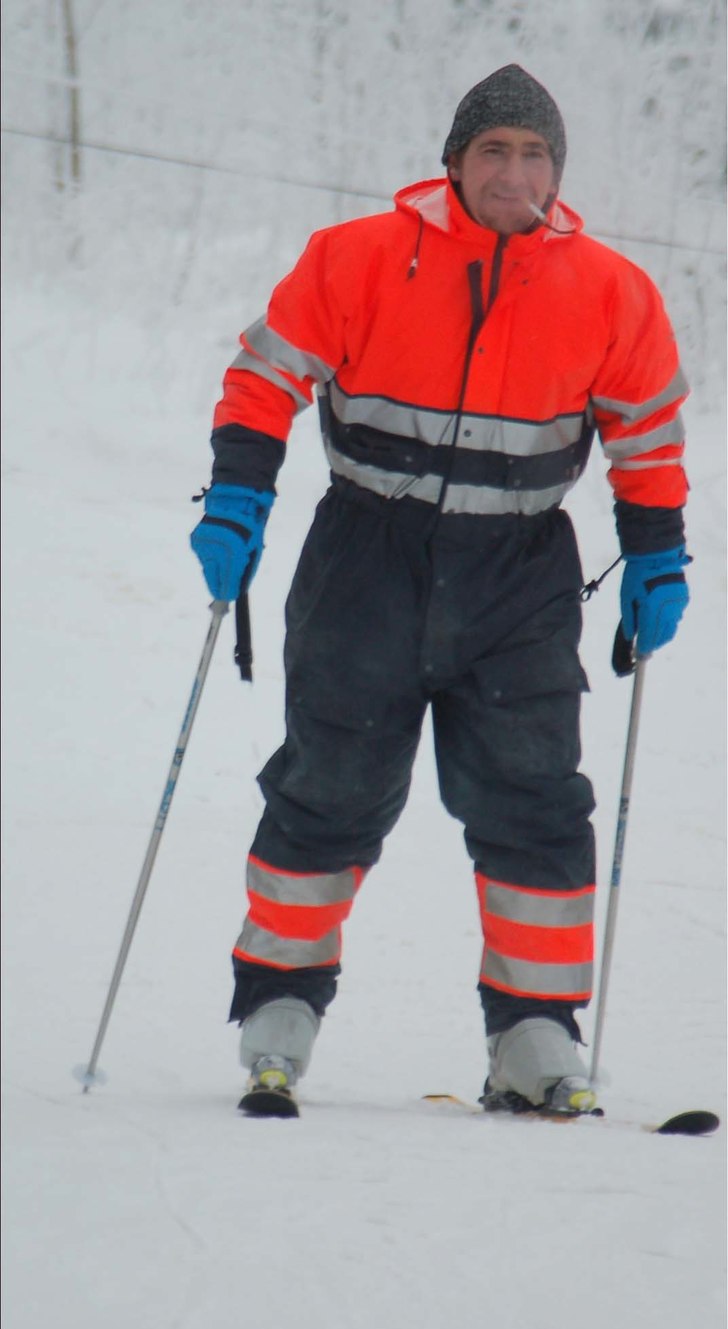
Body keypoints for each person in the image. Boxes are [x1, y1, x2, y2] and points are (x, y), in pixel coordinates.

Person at [191, 64, 690, 1118]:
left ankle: (532, 1031)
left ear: (559, 170)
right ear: (453, 164)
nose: (515, 172)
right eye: (492, 151)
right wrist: (237, 499)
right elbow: (264, 377)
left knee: (533, 800)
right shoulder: (356, 258)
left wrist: (655, 553)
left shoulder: (609, 290)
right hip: (365, 558)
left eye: (534, 153)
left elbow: (645, 435)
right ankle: (278, 1007)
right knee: (327, 785)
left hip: (518, 574)